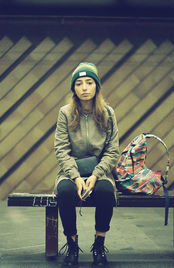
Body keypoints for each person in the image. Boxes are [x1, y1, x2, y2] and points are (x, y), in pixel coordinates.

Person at [54, 62, 119, 266]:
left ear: (96, 86)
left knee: (106, 192)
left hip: (99, 172)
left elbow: (112, 150)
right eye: (79, 83)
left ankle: (99, 246)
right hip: (70, 171)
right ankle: (72, 246)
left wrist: (96, 175)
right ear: (74, 88)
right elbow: (61, 149)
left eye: (89, 82)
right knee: (64, 192)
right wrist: (74, 177)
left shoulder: (108, 113)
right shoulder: (65, 112)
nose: (84, 87)